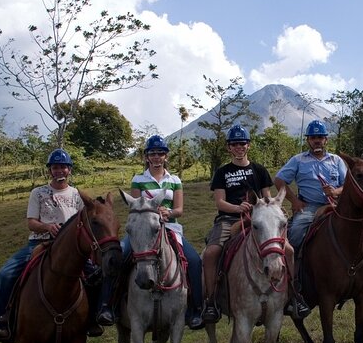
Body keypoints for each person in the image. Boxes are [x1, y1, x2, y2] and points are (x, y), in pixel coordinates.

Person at [0, 148, 104, 340]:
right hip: (40, 243)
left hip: (69, 248)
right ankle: (3, 320)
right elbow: (31, 222)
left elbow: (83, 221)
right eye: (55, 167)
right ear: (50, 170)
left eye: (63, 167)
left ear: (69, 170)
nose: (59, 171)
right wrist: (47, 227)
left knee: (96, 274)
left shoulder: (77, 194)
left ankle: (92, 318)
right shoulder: (39, 193)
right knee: (5, 274)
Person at [201, 125, 309, 322]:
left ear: (248, 145)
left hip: (258, 219)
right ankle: (210, 301)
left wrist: (273, 207)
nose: (239, 147)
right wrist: (237, 208)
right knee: (211, 253)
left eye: (242, 143)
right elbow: (219, 202)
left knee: (290, 251)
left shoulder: (258, 170)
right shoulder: (222, 172)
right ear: (229, 147)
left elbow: (267, 198)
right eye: (234, 144)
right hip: (229, 219)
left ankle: (295, 297)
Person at [96, 135, 204, 330]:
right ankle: (107, 305)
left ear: (166, 157)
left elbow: (179, 209)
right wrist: (153, 213)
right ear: (146, 157)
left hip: (170, 227)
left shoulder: (175, 180)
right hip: (143, 230)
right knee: (120, 256)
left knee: (194, 261)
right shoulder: (138, 180)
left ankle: (195, 310)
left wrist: (168, 212)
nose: (156, 157)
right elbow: (136, 207)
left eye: (160, 153)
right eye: (152, 154)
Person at [274, 120, 346, 309]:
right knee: (295, 231)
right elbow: (280, 180)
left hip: (336, 206)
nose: (316, 141)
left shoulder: (336, 160)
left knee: (362, 229)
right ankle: (294, 277)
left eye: (320, 137)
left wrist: (336, 192)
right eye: (313, 138)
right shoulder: (298, 160)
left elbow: (348, 184)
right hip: (310, 207)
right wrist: (295, 202)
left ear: (326, 140)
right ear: (308, 140)